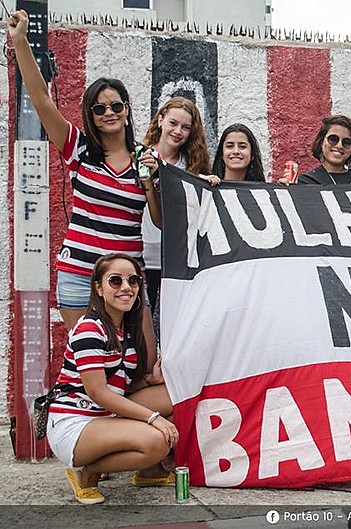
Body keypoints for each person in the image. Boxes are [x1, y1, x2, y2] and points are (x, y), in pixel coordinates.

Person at [8, 10, 160, 358]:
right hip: (80, 274)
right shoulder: (78, 148)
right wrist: (20, 43)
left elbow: (162, 219)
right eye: (98, 108)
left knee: (146, 364)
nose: (108, 112)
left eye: (115, 105)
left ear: (126, 110)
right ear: (89, 114)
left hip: (129, 280)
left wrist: (153, 179)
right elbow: (41, 100)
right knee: (92, 365)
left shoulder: (145, 157)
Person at [46, 253, 178, 504]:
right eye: (115, 281)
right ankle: (87, 474)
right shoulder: (89, 328)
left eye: (133, 281)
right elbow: (99, 392)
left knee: (176, 396)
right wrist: (154, 419)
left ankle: (149, 472)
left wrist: (150, 380)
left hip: (104, 414)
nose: (126, 288)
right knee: (155, 442)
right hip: (76, 421)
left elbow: (119, 386)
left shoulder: (125, 327)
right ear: (99, 287)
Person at [141, 97, 210, 315]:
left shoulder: (191, 166)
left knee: (177, 320)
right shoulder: (140, 155)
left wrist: (209, 183)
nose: (178, 131)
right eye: (173, 123)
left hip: (177, 258)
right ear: (160, 120)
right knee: (140, 321)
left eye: (185, 127)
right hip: (141, 254)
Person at [297, 115, 351, 185]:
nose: (339, 146)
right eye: (333, 139)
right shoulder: (305, 182)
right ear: (321, 142)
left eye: (346, 142)